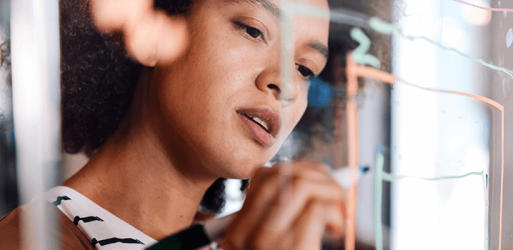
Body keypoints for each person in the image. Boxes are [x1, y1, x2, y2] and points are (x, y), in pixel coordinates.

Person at [0, 0, 347, 249]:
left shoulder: (236, 240)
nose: (286, 83)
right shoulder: (33, 240)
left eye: (305, 69)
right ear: (153, 34)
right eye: (253, 30)